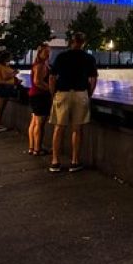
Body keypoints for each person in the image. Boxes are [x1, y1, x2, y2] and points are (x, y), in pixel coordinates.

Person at [48, 32, 98, 173]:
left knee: (59, 128)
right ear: (83, 42)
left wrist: (53, 93)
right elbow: (93, 79)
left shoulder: (62, 56)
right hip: (80, 93)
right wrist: (89, 94)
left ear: (71, 42)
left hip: (62, 93)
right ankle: (75, 161)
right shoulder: (88, 58)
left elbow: (52, 77)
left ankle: (55, 161)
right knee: (77, 129)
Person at [27, 43, 52, 156]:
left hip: (34, 95)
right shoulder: (41, 65)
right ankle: (38, 148)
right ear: (40, 53)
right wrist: (51, 89)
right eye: (45, 52)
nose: (47, 54)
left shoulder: (36, 64)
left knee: (34, 122)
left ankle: (32, 147)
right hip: (40, 96)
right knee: (40, 124)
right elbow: (38, 81)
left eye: (48, 52)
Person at [0, 52, 21, 132]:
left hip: (6, 87)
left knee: (1, 107)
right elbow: (5, 77)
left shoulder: (3, 66)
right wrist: (14, 73)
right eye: (9, 57)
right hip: (2, 87)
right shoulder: (0, 66)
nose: (10, 59)